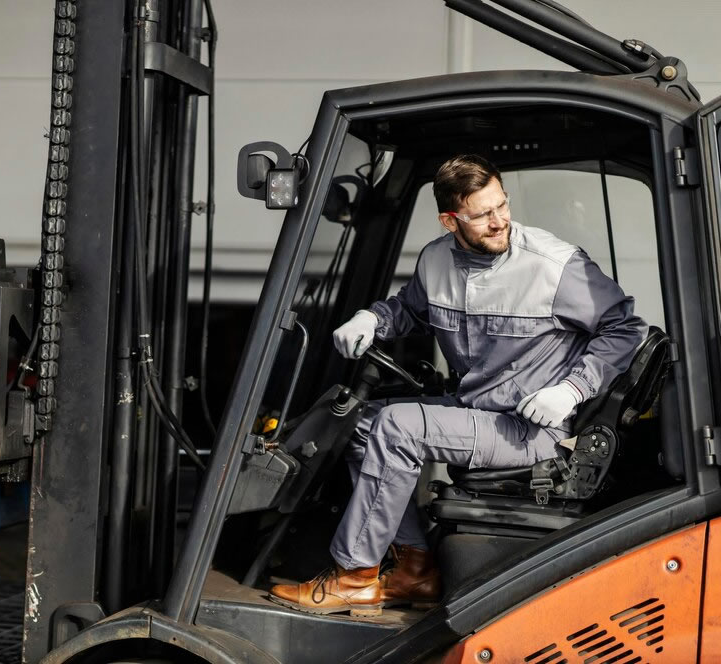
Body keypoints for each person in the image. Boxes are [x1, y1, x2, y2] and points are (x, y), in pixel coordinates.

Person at [268, 154, 647, 617]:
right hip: (475, 410)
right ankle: (414, 568)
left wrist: (570, 389)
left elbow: (625, 328)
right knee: (362, 425)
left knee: (397, 426)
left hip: (526, 428)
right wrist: (372, 318)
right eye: (483, 214)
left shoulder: (554, 265)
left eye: (501, 205)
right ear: (451, 220)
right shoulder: (436, 261)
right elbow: (409, 309)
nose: (499, 221)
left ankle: (355, 575)